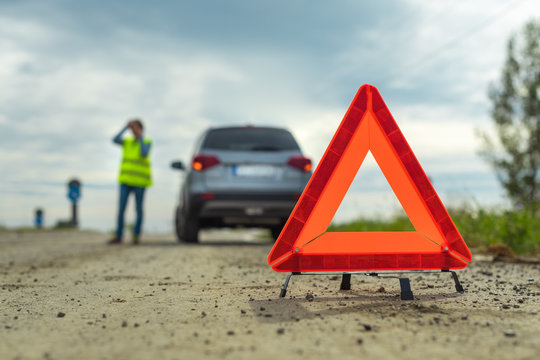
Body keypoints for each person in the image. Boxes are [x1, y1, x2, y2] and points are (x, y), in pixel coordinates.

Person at [108, 119, 152, 245]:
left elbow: (144, 153)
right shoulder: (127, 142)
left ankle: (136, 235)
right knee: (121, 209)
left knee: (138, 209)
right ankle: (119, 235)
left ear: (141, 129)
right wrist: (125, 127)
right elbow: (114, 139)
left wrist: (140, 136)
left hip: (140, 182)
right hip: (125, 181)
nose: (133, 130)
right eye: (132, 128)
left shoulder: (147, 142)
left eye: (136, 128)